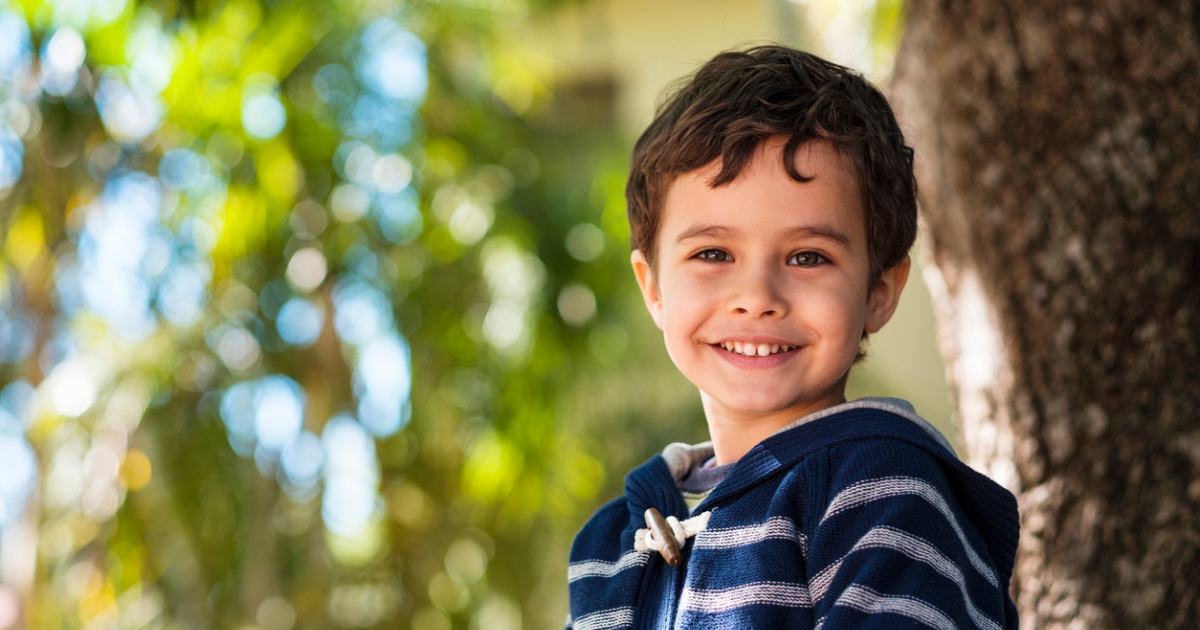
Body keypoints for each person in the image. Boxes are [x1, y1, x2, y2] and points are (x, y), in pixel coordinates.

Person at [565, 46, 1019, 630]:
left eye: (808, 256)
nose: (757, 295)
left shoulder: (885, 493)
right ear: (653, 288)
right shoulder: (606, 547)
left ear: (879, 292)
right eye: (712, 253)